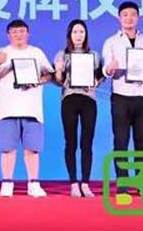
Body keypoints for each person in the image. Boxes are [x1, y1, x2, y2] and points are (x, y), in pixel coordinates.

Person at [0, 19, 53, 198]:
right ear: (8, 35)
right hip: (7, 109)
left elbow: (49, 74)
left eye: (22, 31)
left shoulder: (36, 52)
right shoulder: (3, 52)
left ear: (28, 33)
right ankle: (7, 183)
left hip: (32, 108)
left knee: (32, 149)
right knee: (7, 149)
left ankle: (34, 183)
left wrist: (37, 81)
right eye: (14, 32)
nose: (18, 35)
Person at [102, 1, 143, 195]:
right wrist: (110, 69)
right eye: (125, 15)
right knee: (121, 142)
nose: (129, 18)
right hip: (121, 97)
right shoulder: (111, 42)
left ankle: (142, 183)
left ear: (138, 17)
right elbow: (106, 69)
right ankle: (123, 184)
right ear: (119, 18)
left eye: (133, 14)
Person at [53, 19, 104, 198]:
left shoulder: (94, 55)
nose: (78, 35)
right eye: (75, 32)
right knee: (71, 142)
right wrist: (58, 70)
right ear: (69, 35)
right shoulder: (62, 55)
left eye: (81, 31)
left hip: (89, 100)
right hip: (69, 99)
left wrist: (96, 81)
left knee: (87, 143)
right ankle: (74, 183)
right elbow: (58, 81)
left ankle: (86, 183)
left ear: (86, 34)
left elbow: (101, 76)